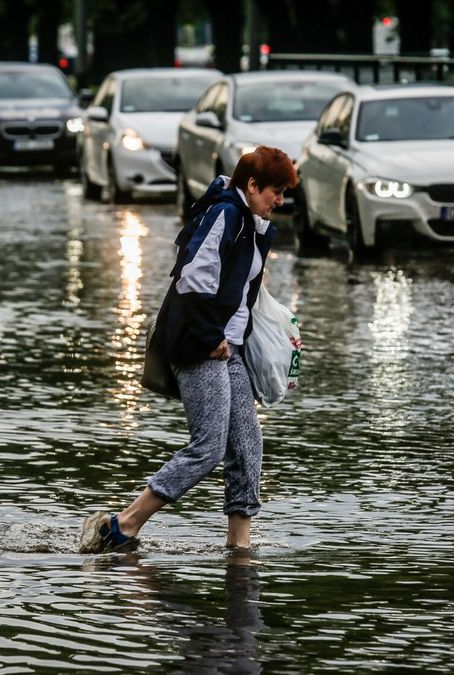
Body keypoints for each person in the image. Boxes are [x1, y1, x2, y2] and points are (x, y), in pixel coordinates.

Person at [79, 146, 297, 554]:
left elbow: (244, 291)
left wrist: (257, 341)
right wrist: (211, 336)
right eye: (276, 191)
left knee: (248, 445)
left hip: (227, 347)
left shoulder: (252, 222)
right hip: (198, 346)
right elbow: (192, 279)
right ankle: (122, 524)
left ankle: (239, 545)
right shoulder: (226, 215)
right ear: (252, 185)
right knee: (209, 447)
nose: (280, 201)